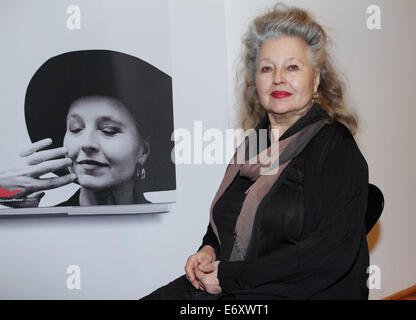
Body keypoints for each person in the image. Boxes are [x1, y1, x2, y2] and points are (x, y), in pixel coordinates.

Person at [142, 4, 369, 300]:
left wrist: (231, 277)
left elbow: (330, 253)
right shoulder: (252, 144)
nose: (278, 78)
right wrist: (208, 249)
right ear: (255, 81)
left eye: (292, 67)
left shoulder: (334, 146)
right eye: (267, 68)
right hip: (237, 282)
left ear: (315, 80)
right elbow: (227, 223)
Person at [0, 50, 175, 207]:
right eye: (75, 129)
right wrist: (6, 197)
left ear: (143, 151)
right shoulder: (45, 222)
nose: (87, 143)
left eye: (108, 130)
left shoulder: (165, 226)